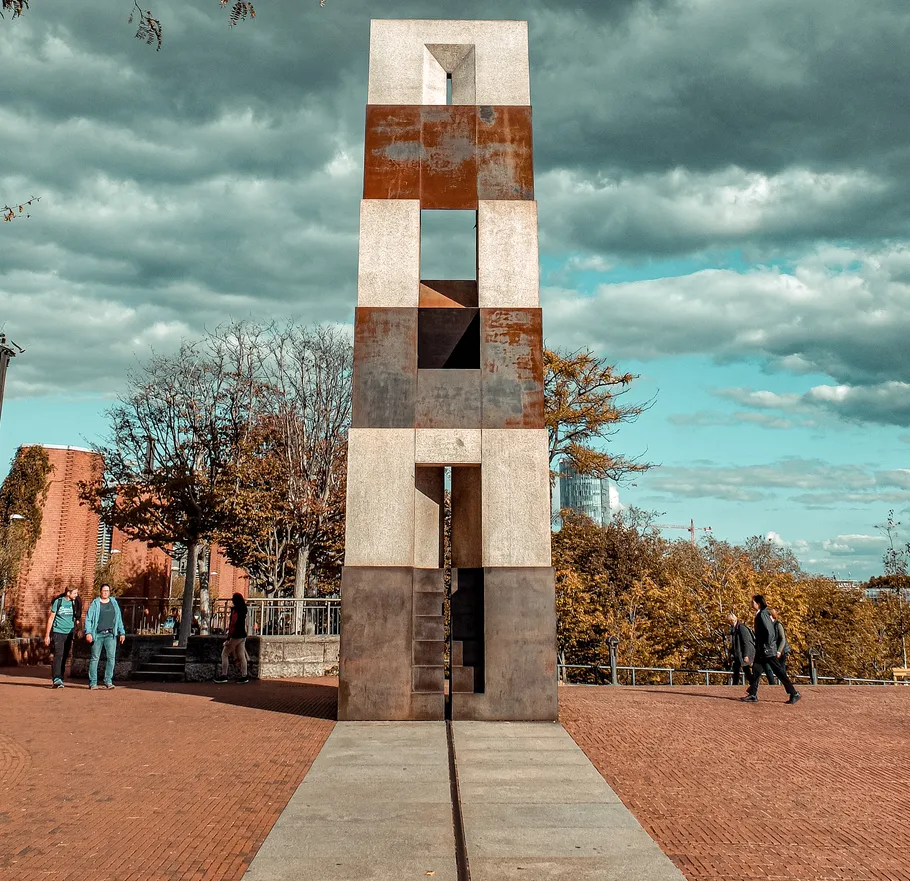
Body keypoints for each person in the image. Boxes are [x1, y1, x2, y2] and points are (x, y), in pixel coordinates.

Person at [742, 595, 800, 704]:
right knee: (756, 670)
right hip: (762, 650)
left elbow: (770, 632)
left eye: (753, 602)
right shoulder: (761, 614)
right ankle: (753, 694)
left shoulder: (763, 614)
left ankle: (794, 693)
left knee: (779, 672)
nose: (751, 603)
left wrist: (767, 645)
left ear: (758, 603)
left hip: (767, 650)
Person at [84, 584, 126, 690]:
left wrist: (122, 632)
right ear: (100, 592)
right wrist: (88, 632)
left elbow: (119, 618)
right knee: (95, 658)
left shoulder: (114, 603)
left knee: (111, 658)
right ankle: (93, 682)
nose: (105, 592)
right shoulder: (95, 603)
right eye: (104, 591)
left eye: (107, 591)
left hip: (110, 635)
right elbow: (88, 619)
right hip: (97, 635)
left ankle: (108, 681)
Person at [44, 586, 82, 688]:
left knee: (65, 655)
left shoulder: (74, 603)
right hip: (58, 632)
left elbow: (76, 617)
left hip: (69, 632)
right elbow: (51, 619)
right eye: (74, 593)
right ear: (68, 593)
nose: (76, 595)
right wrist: (47, 635)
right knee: (58, 654)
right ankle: (56, 678)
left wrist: (79, 629)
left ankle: (60, 677)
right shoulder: (58, 602)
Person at [215, 593, 249, 683]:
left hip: (235, 635)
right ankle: (244, 675)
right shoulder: (243, 609)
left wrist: (228, 638)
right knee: (242, 656)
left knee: (224, 654)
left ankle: (224, 675)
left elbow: (233, 624)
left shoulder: (235, 610)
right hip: (242, 635)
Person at [726, 611, 755, 686]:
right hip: (737, 653)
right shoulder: (734, 628)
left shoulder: (741, 628)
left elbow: (746, 642)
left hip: (742, 653)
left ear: (732, 620)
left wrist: (746, 655)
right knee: (736, 670)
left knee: (746, 670)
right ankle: (735, 685)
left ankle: (753, 684)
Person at [769, 608, 791, 672]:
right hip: (774, 649)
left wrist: (779, 651)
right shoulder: (769, 626)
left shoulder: (778, 625)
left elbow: (783, 639)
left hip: (782, 649)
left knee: (781, 667)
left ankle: (784, 681)